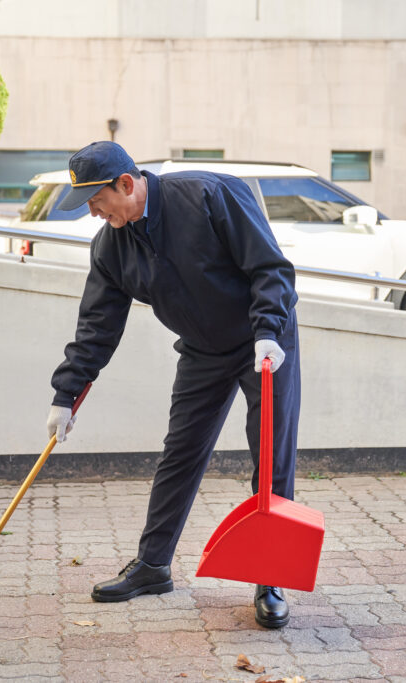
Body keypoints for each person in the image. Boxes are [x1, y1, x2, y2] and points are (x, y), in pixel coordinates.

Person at [45, 141, 301, 629]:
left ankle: (270, 578)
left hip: (263, 340)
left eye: (96, 202)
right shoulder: (111, 246)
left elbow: (270, 268)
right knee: (180, 452)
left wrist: (269, 330)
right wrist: (66, 395)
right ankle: (153, 566)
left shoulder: (207, 195)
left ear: (126, 184)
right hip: (203, 350)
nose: (94, 214)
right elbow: (97, 327)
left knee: (270, 453)